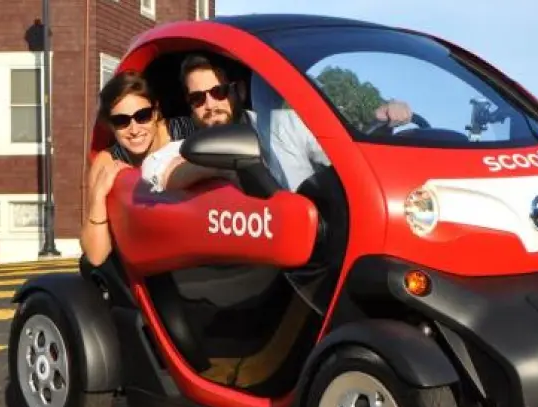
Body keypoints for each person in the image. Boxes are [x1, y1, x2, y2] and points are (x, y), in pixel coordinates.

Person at [141, 52, 413, 194]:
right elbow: (156, 172)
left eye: (218, 92)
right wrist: (221, 165)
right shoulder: (187, 148)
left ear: (239, 92)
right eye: (197, 98)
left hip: (315, 248)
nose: (210, 105)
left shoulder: (286, 126)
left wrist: (381, 121)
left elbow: (345, 155)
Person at [80, 70, 196, 266]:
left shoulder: (187, 132)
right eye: (121, 121)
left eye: (142, 116)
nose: (134, 129)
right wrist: (99, 197)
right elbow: (96, 256)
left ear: (156, 113)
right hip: (146, 260)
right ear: (110, 125)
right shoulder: (108, 162)